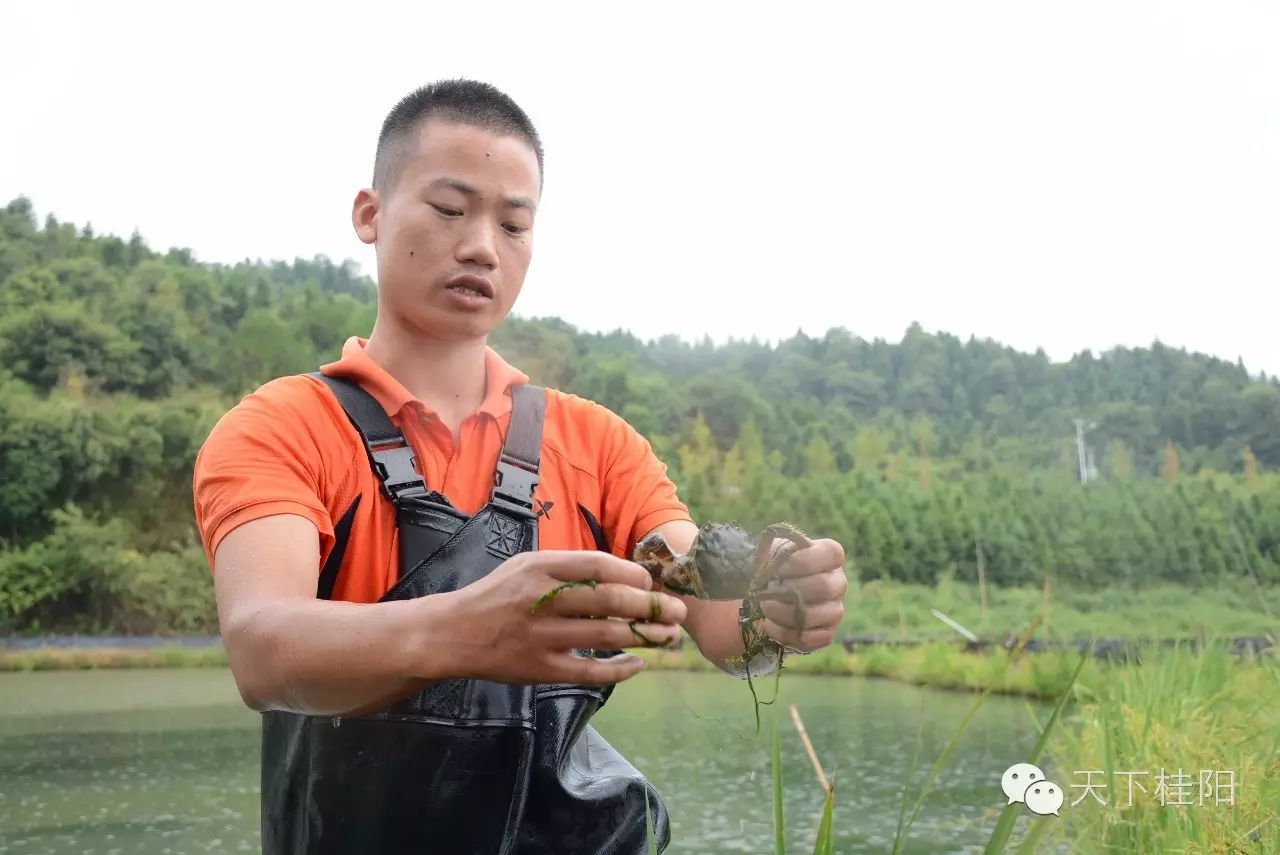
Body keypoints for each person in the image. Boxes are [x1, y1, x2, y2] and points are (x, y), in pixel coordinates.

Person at [193, 79, 847, 854]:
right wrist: (465, 628)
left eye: (514, 224)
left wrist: (779, 603)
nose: (480, 245)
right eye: (449, 209)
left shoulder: (596, 443)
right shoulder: (285, 427)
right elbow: (264, 648)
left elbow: (710, 614)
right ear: (370, 213)